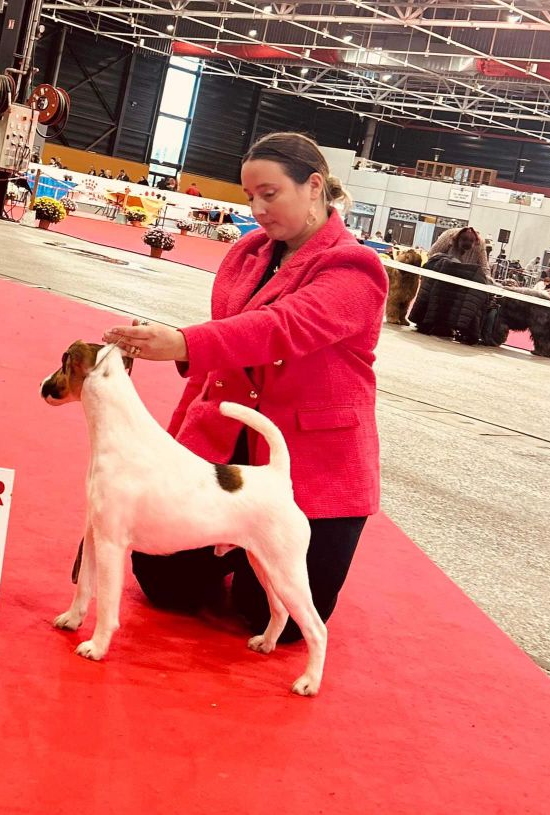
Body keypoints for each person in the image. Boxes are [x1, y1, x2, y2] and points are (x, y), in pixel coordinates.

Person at [102, 131, 387, 641]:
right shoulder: (248, 252)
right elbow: (218, 369)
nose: (256, 208)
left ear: (314, 185)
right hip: (225, 456)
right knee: (165, 586)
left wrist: (184, 343)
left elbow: (283, 328)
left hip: (311, 473)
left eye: (270, 194)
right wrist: (170, 450)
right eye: (249, 196)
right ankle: (232, 546)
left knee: (274, 618)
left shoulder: (355, 266)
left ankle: (242, 552)